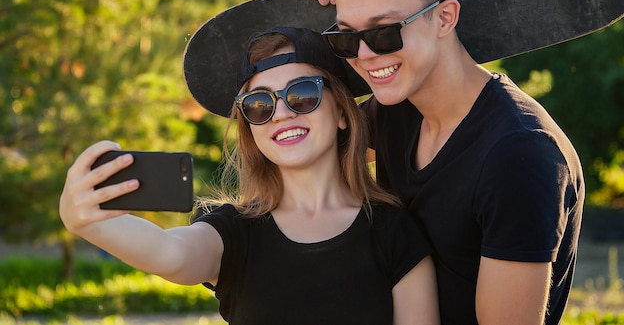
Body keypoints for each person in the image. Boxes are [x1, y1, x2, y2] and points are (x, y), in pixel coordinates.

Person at [297, 0, 584, 325]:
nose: (363, 55)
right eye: (344, 37)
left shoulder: (518, 155)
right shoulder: (395, 110)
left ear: (446, 18)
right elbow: (305, 158)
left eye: (383, 33)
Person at [59, 26, 440, 325]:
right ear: (252, 130)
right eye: (260, 105)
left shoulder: (394, 232)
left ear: (342, 113)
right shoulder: (234, 232)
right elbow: (171, 254)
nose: (283, 113)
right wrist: (87, 222)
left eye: (303, 94)